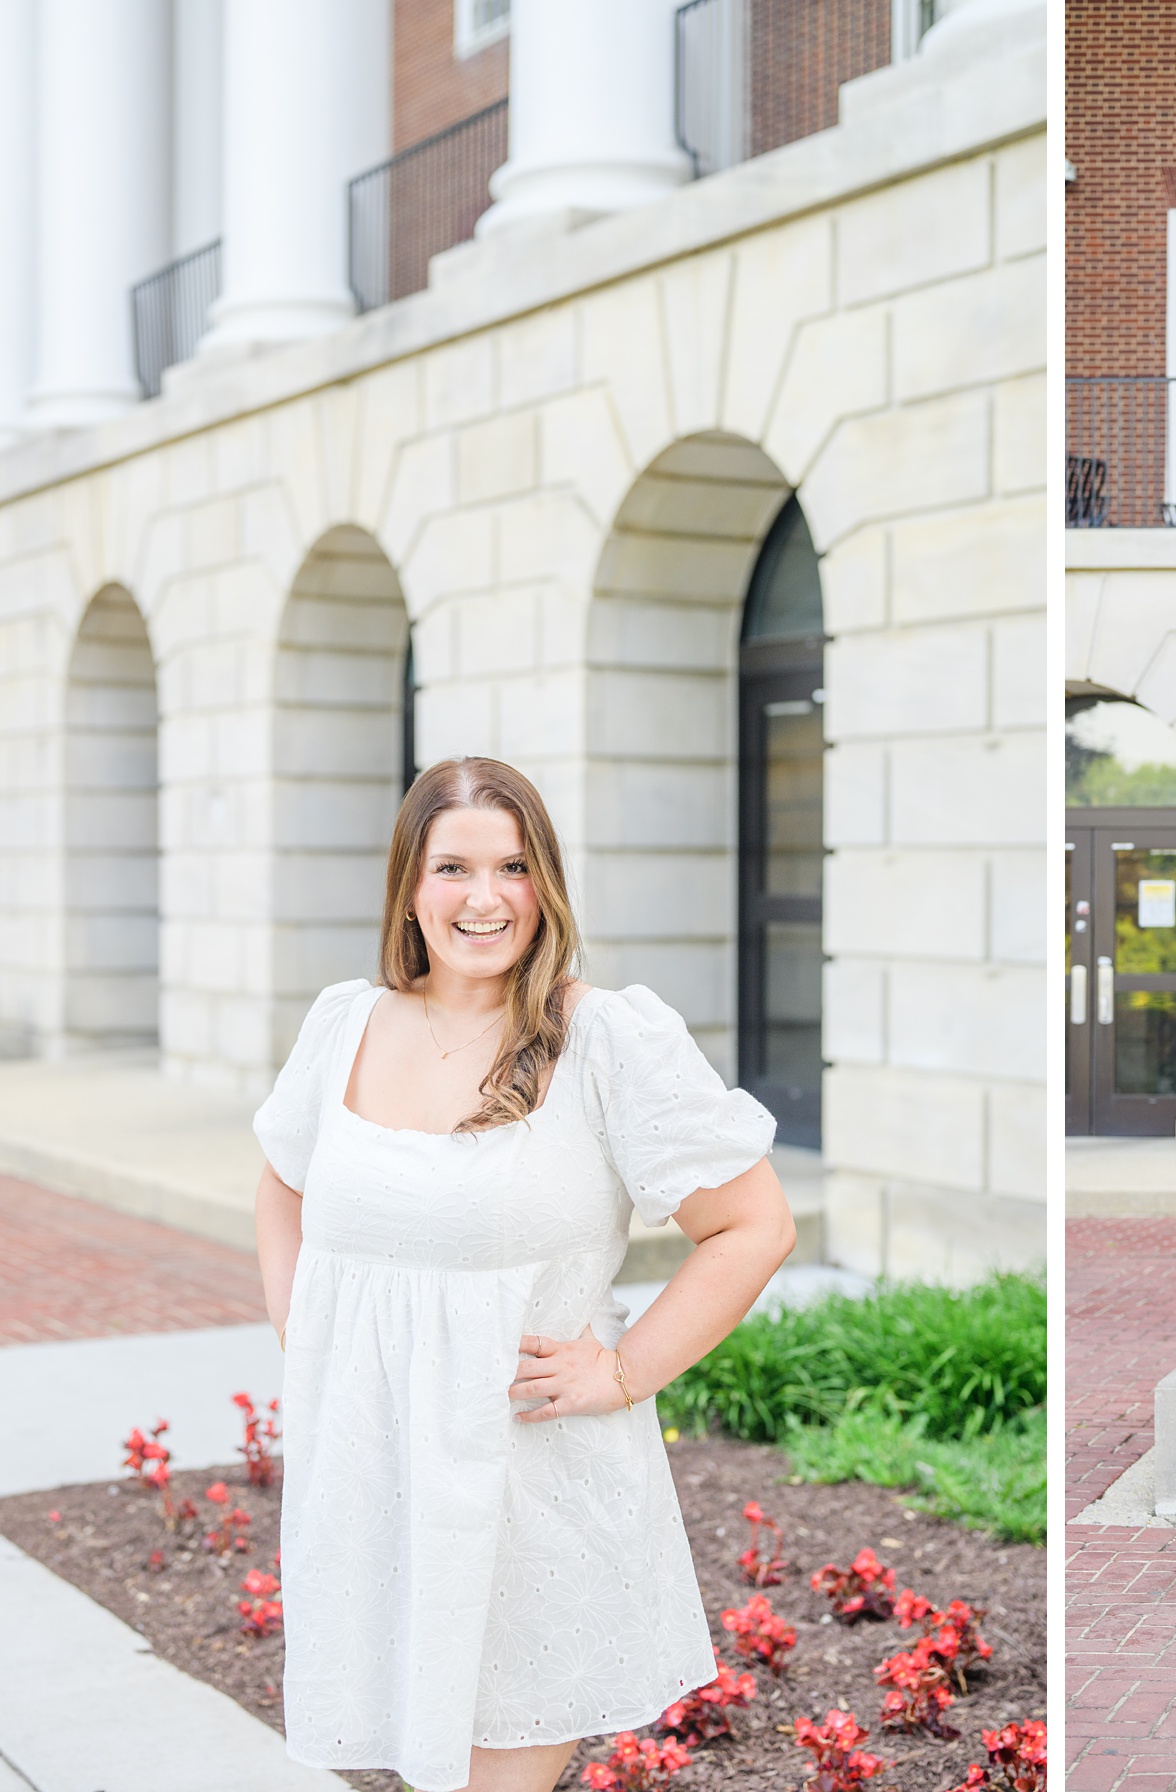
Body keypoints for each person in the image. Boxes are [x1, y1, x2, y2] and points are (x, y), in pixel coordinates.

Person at [252, 756, 798, 1792]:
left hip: (527, 1484)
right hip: (376, 1477)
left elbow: (753, 1224)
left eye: (512, 867)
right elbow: (283, 1185)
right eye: (453, 867)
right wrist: (299, 1327)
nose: (485, 898)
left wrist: (626, 1370)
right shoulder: (343, 1025)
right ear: (410, 886)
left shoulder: (606, 1039)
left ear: (544, 883)